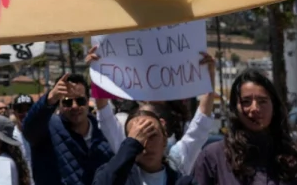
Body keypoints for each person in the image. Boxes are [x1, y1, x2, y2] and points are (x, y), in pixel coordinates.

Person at [90, 47, 219, 175]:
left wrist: (209, 74)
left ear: (164, 137)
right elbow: (105, 115)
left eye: (152, 134)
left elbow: (201, 123)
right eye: (140, 135)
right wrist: (97, 70)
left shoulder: (178, 161)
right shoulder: (125, 166)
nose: (147, 145)